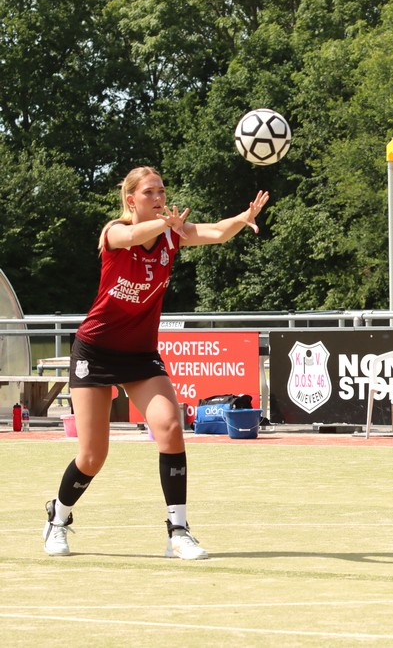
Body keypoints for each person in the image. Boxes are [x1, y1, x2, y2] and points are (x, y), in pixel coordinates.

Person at [42, 167, 269, 559]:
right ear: (131, 199)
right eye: (150, 192)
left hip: (140, 355)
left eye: (162, 190)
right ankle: (57, 518)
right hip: (95, 351)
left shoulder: (170, 233)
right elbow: (132, 236)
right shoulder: (115, 232)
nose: (159, 197)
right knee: (93, 456)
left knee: (170, 428)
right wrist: (168, 224)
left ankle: (178, 531)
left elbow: (216, 232)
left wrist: (242, 218)